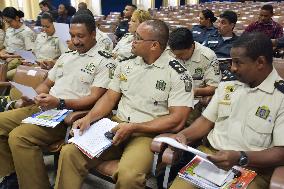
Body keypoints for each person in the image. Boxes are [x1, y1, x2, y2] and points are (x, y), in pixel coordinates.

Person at [54, 19, 194, 189]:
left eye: (138, 38)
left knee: (129, 176)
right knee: (70, 152)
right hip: (116, 125)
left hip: (146, 134)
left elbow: (177, 119)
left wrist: (134, 127)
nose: (132, 41)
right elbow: (109, 99)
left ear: (154, 45)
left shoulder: (177, 73)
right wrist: (89, 118)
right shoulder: (126, 64)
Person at [0, 14, 116, 189]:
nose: (75, 41)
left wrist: (59, 102)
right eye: (72, 35)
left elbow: (94, 98)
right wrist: (34, 95)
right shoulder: (67, 56)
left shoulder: (104, 61)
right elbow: (47, 83)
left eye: (80, 36)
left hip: (67, 115)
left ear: (93, 34)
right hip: (44, 106)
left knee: (19, 136)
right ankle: (12, 175)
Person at [168, 32, 284, 189]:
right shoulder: (228, 86)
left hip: (251, 167)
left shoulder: (280, 97)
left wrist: (240, 157)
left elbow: (280, 152)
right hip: (211, 157)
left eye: (238, 63)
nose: (232, 68)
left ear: (260, 62)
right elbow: (205, 121)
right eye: (231, 62)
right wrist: (184, 135)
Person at [168, 27, 220, 125]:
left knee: (179, 122)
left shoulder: (207, 56)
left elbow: (214, 87)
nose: (177, 57)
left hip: (194, 100)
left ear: (192, 46)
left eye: (181, 54)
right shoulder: (169, 52)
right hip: (170, 97)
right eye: (175, 55)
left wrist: (193, 92)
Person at [7, 12, 67, 80]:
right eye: (43, 26)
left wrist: (52, 63)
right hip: (34, 65)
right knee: (10, 74)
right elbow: (34, 53)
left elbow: (65, 58)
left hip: (48, 69)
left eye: (47, 26)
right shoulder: (41, 36)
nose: (44, 29)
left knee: (15, 76)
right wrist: (29, 60)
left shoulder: (61, 38)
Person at [0, 7, 36, 77]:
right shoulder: (9, 30)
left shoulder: (26, 32)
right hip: (7, 58)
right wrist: (2, 54)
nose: (8, 24)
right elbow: (5, 47)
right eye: (6, 21)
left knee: (4, 75)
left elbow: (30, 54)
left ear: (16, 18)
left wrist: (11, 56)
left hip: (20, 61)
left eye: (9, 21)